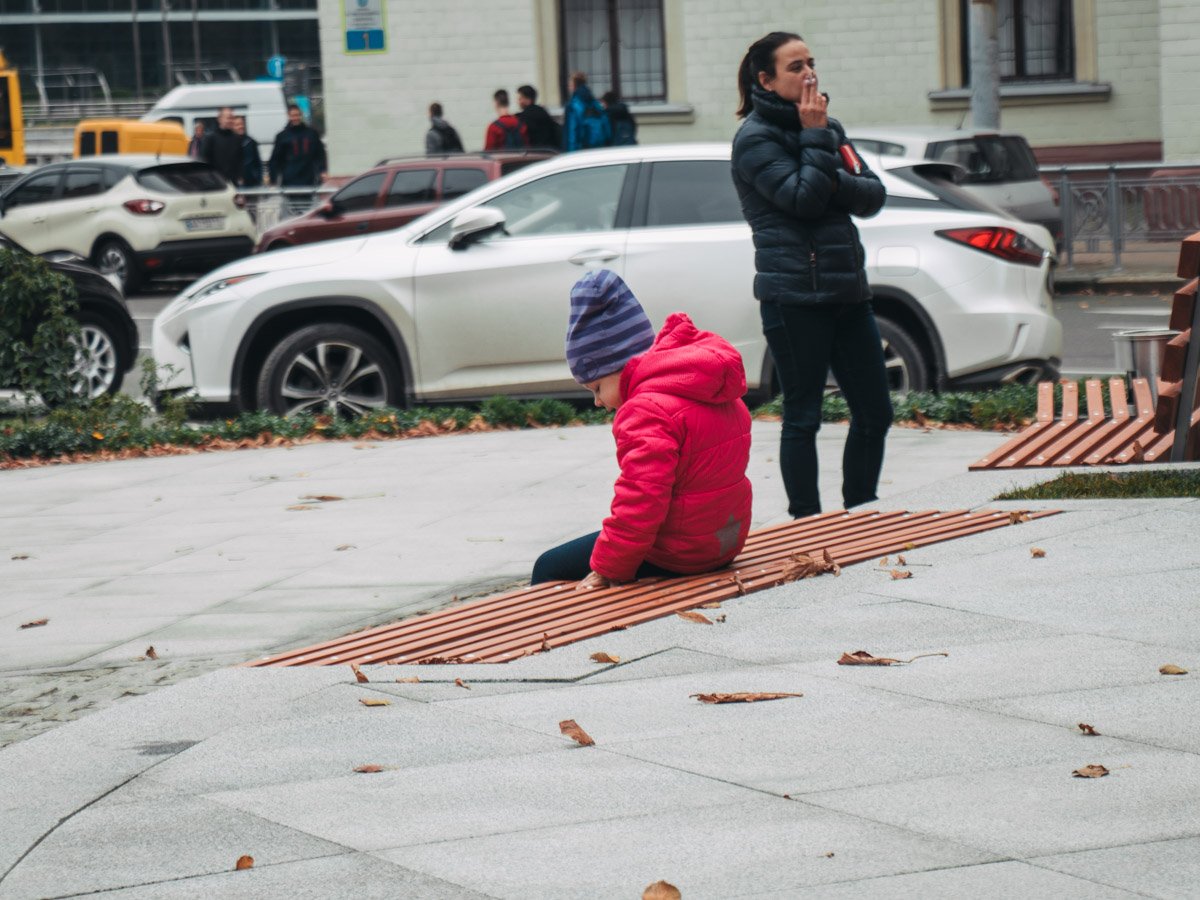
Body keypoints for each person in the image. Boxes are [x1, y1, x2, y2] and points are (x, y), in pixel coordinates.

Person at [731, 31, 891, 519]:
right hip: (794, 297)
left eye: (811, 63)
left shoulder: (828, 126)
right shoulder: (755, 139)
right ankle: (807, 520)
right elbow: (801, 199)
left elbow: (872, 195)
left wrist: (823, 156)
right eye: (796, 67)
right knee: (803, 416)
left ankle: (860, 510)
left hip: (847, 291)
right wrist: (816, 139)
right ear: (766, 79)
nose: (810, 75)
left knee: (876, 412)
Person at [530, 270, 752, 588]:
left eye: (596, 387)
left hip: (682, 553)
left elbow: (641, 501)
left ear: (621, 368)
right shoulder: (704, 384)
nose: (597, 401)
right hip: (724, 541)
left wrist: (609, 569)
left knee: (548, 566)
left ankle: (558, 633)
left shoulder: (646, 411)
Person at [268, 104, 327, 187]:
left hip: (309, 179)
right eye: (293, 115)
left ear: (301, 115)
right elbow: (275, 159)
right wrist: (273, 179)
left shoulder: (311, 134)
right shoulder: (282, 137)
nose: (295, 118)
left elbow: (320, 154)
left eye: (297, 115)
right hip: (289, 180)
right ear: (288, 116)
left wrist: (323, 171)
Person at [562, 71, 610, 151]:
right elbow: (606, 125)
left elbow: (572, 131)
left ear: (574, 86)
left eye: (569, 85)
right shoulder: (595, 103)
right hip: (598, 148)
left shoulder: (574, 105)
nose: (569, 88)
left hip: (581, 150)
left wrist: (570, 154)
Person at [199, 107, 242, 184]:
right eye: (228, 118)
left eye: (232, 118)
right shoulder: (210, 139)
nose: (230, 121)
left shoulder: (237, 139)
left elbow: (240, 162)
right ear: (220, 119)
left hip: (233, 183)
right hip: (215, 183)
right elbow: (204, 161)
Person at [515, 84, 560, 150]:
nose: (518, 102)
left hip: (535, 153)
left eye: (520, 99)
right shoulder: (543, 112)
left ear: (528, 99)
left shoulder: (523, 117)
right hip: (551, 151)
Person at [232, 115, 262, 187]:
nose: (240, 126)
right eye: (237, 125)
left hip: (252, 182)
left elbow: (257, 162)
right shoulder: (229, 143)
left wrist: (258, 177)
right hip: (234, 182)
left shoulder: (251, 142)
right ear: (232, 127)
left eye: (242, 124)